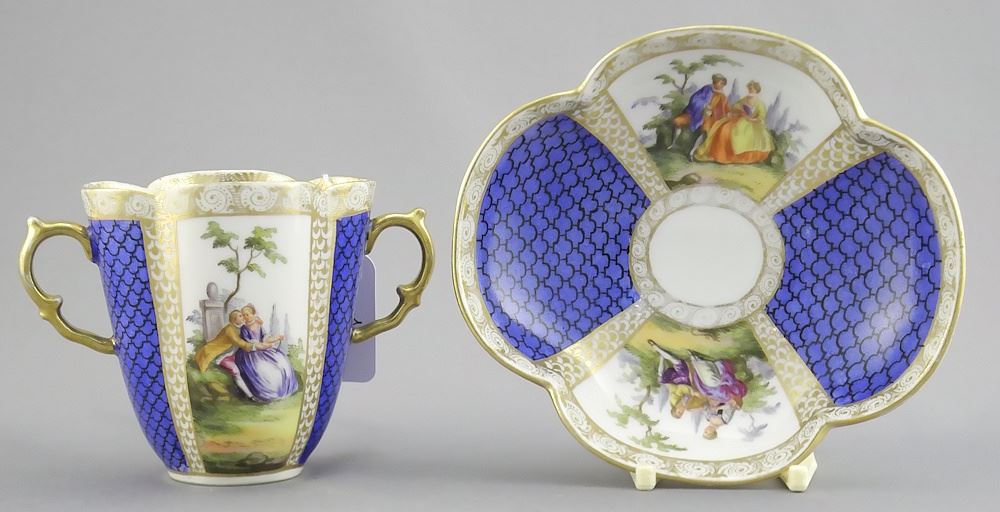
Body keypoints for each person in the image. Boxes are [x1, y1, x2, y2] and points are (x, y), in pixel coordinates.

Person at [648, 340, 748, 440]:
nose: (706, 429)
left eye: (705, 431)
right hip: (724, 397)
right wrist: (716, 407)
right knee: (713, 388)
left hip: (706, 394)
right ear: (713, 432)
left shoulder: (708, 418)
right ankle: (701, 362)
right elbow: (729, 406)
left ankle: (697, 361)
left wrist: (696, 407)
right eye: (707, 432)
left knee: (703, 388)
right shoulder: (724, 421)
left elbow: (705, 406)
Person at [694, 80, 774, 164]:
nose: (750, 90)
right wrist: (738, 109)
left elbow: (761, 117)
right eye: (749, 88)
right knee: (723, 127)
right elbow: (735, 106)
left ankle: (735, 157)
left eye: (752, 89)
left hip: (753, 124)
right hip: (740, 119)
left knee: (739, 134)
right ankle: (718, 155)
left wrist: (751, 119)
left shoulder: (760, 103)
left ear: (756, 90)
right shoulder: (745, 99)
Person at [234, 304, 298, 402]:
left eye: (247, 314)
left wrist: (276, 338)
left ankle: (284, 388)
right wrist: (265, 345)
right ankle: (269, 392)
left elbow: (265, 338)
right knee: (261, 368)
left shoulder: (259, 325)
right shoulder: (244, 328)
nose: (245, 317)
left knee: (281, 360)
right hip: (250, 353)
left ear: (253, 314)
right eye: (243, 315)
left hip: (263, 349)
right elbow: (250, 343)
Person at [194, 310, 256, 400]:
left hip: (230, 354)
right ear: (234, 319)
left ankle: (245, 393)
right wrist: (255, 346)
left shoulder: (240, 328)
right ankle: (250, 396)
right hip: (217, 354)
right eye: (240, 316)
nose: (243, 317)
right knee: (236, 372)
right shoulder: (229, 329)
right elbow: (239, 342)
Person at [667, 73, 730, 161]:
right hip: (695, 113)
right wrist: (704, 106)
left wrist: (712, 112)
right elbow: (694, 98)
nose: (721, 85)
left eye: (723, 83)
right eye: (720, 83)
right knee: (677, 121)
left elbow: (724, 108)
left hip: (709, 118)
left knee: (705, 131)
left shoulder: (722, 95)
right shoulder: (707, 89)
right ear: (715, 81)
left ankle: (692, 152)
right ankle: (673, 144)